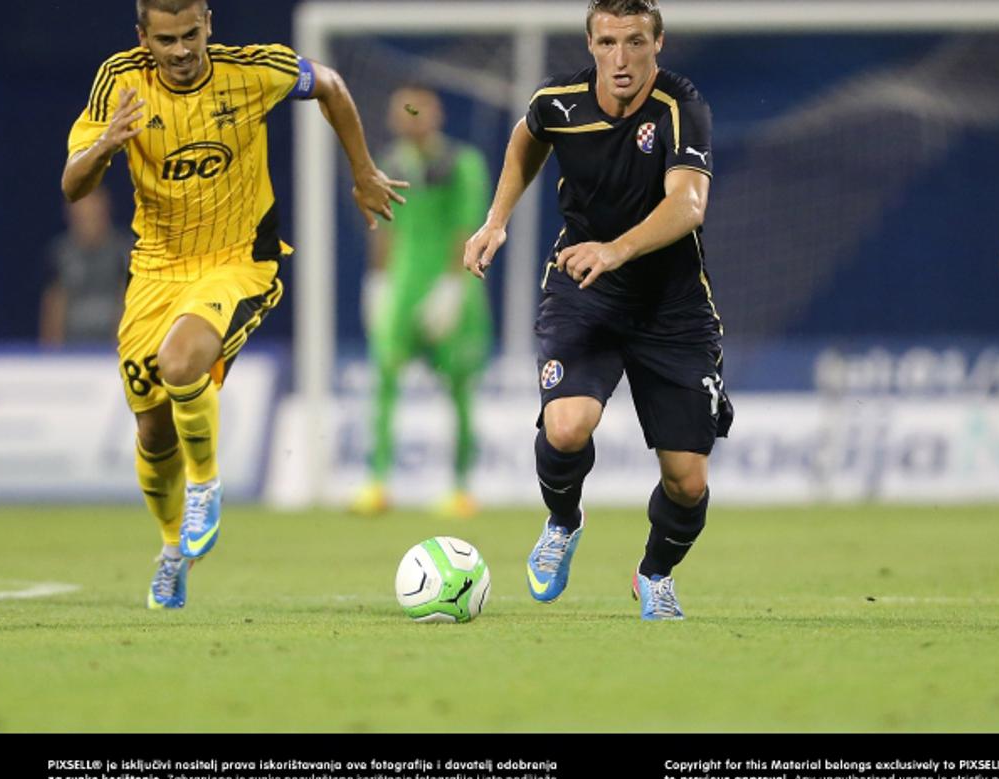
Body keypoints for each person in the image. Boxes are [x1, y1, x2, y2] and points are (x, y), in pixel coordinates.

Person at [62, 0, 406, 608]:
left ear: (209, 23)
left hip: (239, 261)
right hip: (155, 270)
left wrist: (362, 171)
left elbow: (331, 84)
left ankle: (205, 484)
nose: (181, 50)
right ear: (144, 37)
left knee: (181, 363)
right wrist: (106, 146)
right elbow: (72, 184)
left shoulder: (253, 72)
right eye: (166, 39)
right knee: (150, 426)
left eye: (191, 34)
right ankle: (173, 551)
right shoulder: (119, 82)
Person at [463, 0, 732, 620]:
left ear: (657, 43)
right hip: (583, 288)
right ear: (590, 45)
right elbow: (527, 137)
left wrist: (617, 249)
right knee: (565, 427)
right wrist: (496, 220)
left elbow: (689, 205)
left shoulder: (680, 107)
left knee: (687, 480)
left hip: (673, 307)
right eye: (608, 42)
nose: (621, 59)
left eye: (635, 42)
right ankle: (562, 521)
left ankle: (654, 574)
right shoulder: (559, 103)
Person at [352, 85, 492, 519]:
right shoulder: (389, 165)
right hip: (401, 287)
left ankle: (462, 487)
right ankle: (377, 483)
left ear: (437, 116)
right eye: (403, 113)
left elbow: (466, 227)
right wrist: (377, 281)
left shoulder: (463, 164)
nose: (411, 120)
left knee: (460, 388)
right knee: (385, 382)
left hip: (454, 290)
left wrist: (452, 287)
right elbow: (383, 228)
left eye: (418, 112)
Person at [40, 187, 135, 347]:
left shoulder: (123, 253)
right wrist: (53, 359)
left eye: (93, 216)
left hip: (110, 353)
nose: (88, 221)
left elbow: (128, 303)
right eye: (82, 216)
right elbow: (54, 306)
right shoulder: (61, 255)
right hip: (71, 355)